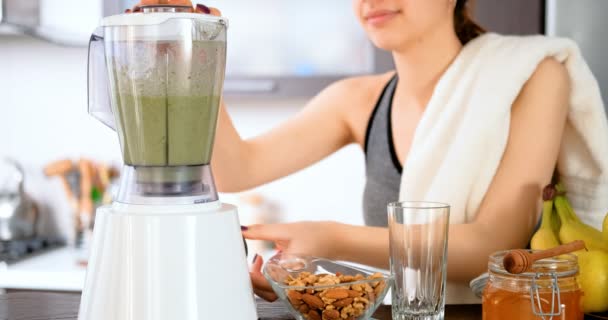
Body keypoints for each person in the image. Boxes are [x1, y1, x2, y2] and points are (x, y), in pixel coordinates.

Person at [128, 0, 574, 303]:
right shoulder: (356, 100)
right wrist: (193, 48)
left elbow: (492, 247)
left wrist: (329, 240)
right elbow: (234, 168)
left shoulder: (533, 76)